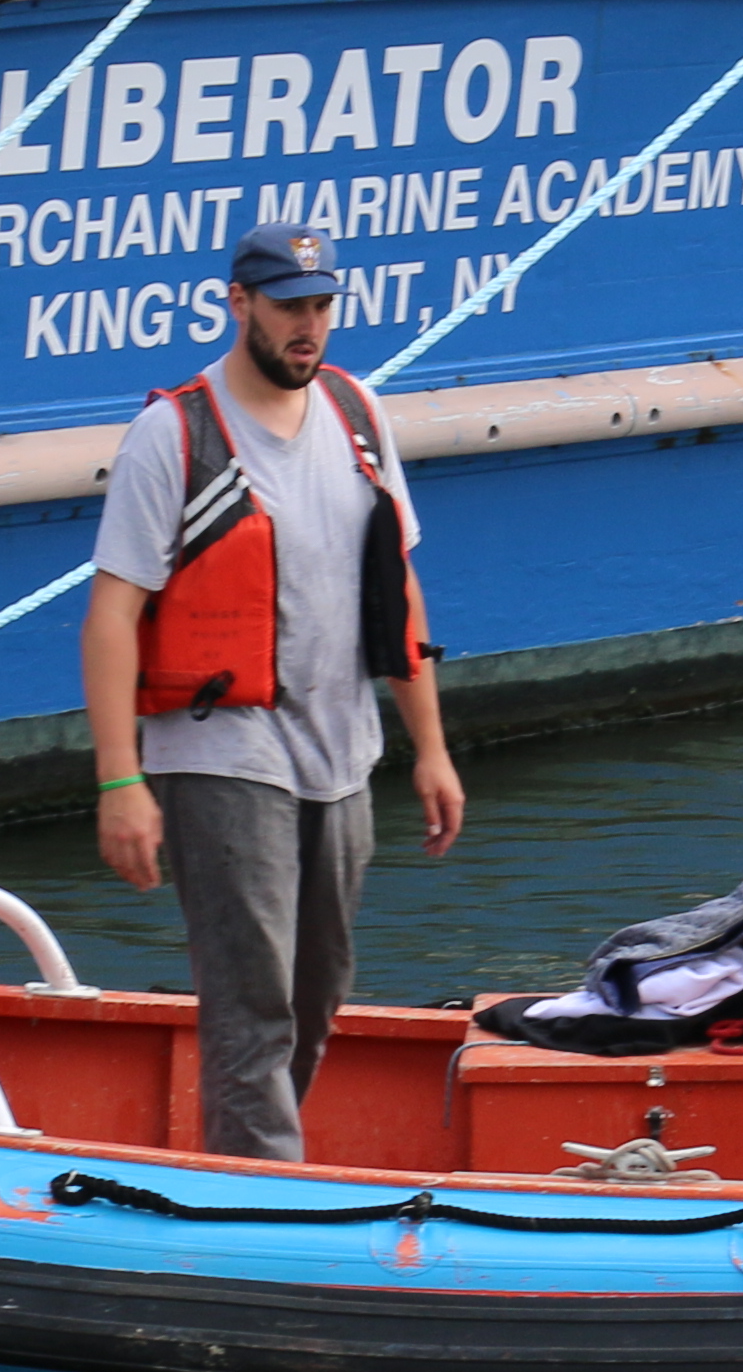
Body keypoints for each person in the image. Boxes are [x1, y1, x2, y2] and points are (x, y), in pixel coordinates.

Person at [81, 226, 468, 1160]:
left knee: (317, 991)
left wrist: (433, 747)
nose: (308, 324)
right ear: (237, 302)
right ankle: (261, 1190)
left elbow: (399, 593)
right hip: (221, 751)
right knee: (252, 995)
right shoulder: (172, 435)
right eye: (289, 304)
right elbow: (109, 618)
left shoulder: (359, 414)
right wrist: (119, 782)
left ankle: (241, 1162)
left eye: (321, 305)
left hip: (341, 754)